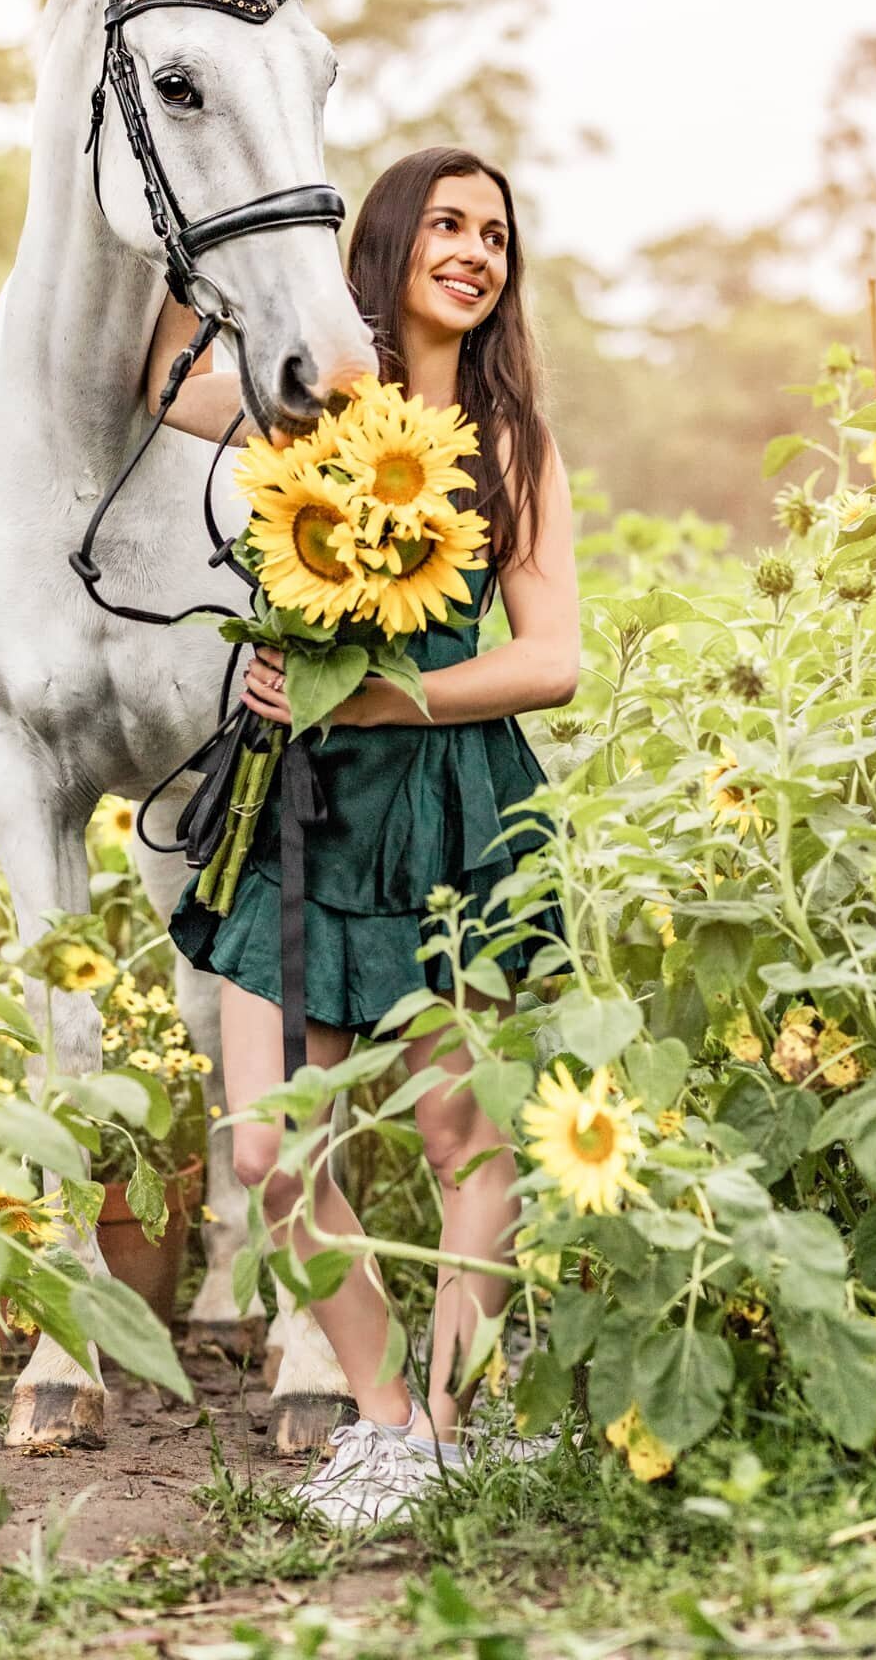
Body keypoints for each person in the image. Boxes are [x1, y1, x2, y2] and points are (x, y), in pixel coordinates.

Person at [143, 145, 580, 1529]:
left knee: (464, 1138)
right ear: (386, 245)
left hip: (452, 804)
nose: (473, 248)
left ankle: (443, 1434)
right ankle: (384, 1422)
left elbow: (553, 657)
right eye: (446, 223)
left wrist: (399, 698)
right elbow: (158, 395)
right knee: (275, 1153)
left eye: (495, 235)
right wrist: (195, 243)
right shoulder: (305, 413)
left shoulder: (511, 442)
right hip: (298, 809)